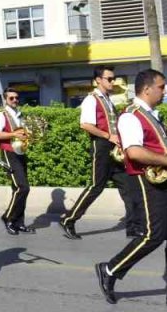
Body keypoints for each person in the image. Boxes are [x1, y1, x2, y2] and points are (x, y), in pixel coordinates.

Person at [95, 69, 167, 308]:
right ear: (147, 89)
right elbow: (134, 151)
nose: (165, 91)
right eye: (161, 87)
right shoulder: (131, 116)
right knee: (153, 236)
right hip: (147, 182)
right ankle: (110, 269)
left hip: (166, 181)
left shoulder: (152, 115)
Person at [62, 65, 140, 240]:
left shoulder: (107, 100)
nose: (113, 82)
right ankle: (69, 219)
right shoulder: (91, 100)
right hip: (102, 147)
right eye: (109, 79)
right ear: (98, 80)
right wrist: (108, 136)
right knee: (96, 187)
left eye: (114, 78)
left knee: (129, 188)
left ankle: (132, 227)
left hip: (114, 149)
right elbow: (85, 125)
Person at [0, 89, 33, 236]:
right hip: (9, 152)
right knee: (22, 187)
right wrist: (14, 134)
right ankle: (8, 217)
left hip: (20, 151)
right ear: (5, 100)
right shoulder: (2, 114)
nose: (15, 100)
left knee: (21, 189)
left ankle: (19, 222)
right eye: (11, 98)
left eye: (16, 98)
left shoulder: (19, 113)